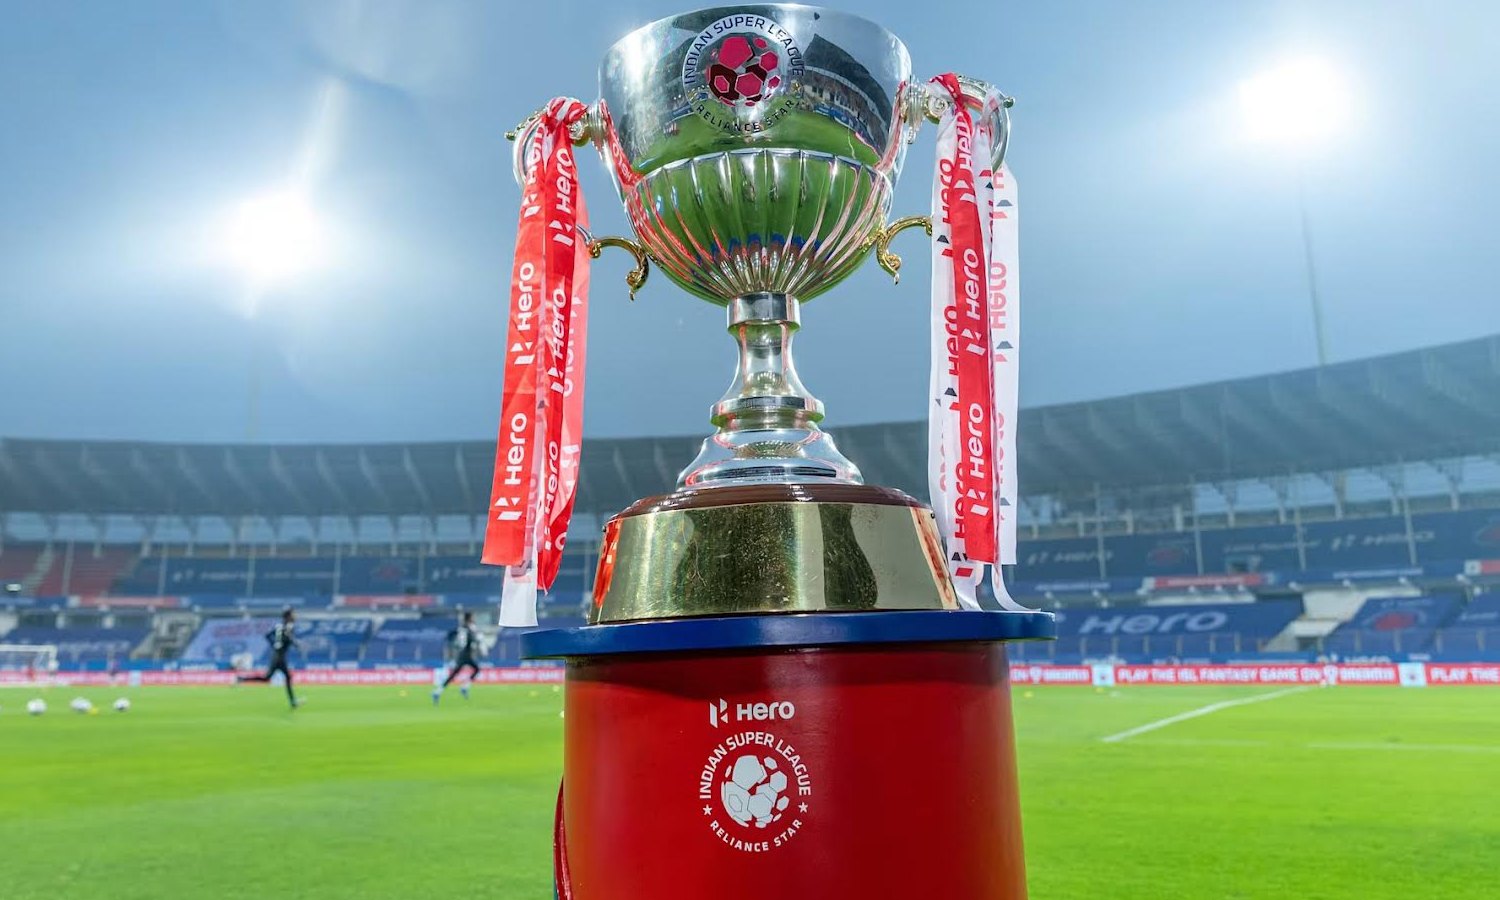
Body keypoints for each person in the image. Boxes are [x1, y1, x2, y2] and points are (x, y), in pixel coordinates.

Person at [236, 608, 303, 709]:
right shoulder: (287, 627)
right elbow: (288, 638)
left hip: (278, 655)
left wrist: (274, 644)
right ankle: (241, 679)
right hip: (279, 657)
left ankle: (241, 679)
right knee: (274, 678)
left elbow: (268, 635)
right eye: (293, 614)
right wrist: (295, 644)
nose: (295, 616)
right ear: (288, 616)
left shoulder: (280, 626)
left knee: (271, 678)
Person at [432, 611, 483, 705]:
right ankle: (463, 687)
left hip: (461, 654)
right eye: (472, 617)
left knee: (456, 674)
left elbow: (450, 635)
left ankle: (438, 691)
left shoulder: (461, 628)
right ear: (469, 618)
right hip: (466, 654)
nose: (474, 619)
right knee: (475, 670)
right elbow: (472, 640)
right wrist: (477, 639)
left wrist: (452, 644)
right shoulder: (469, 628)